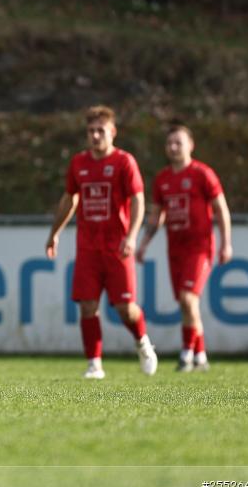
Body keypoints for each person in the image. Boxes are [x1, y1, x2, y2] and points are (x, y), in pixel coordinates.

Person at [46, 105, 158, 379]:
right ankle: (94, 363)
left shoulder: (124, 162)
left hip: (118, 248)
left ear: (113, 132)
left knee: (125, 309)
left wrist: (131, 236)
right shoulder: (78, 163)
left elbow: (138, 200)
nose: (95, 136)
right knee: (87, 305)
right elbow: (70, 198)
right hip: (88, 248)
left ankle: (143, 343)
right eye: (91, 131)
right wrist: (55, 233)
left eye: (100, 130)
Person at [136, 124, 232, 372]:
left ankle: (186, 354)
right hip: (175, 249)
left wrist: (226, 243)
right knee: (186, 304)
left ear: (191, 145)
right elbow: (157, 216)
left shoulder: (203, 174)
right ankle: (201, 356)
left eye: (179, 142)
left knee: (189, 299)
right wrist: (143, 244)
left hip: (200, 247)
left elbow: (221, 210)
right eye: (170, 143)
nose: (174, 147)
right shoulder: (163, 179)